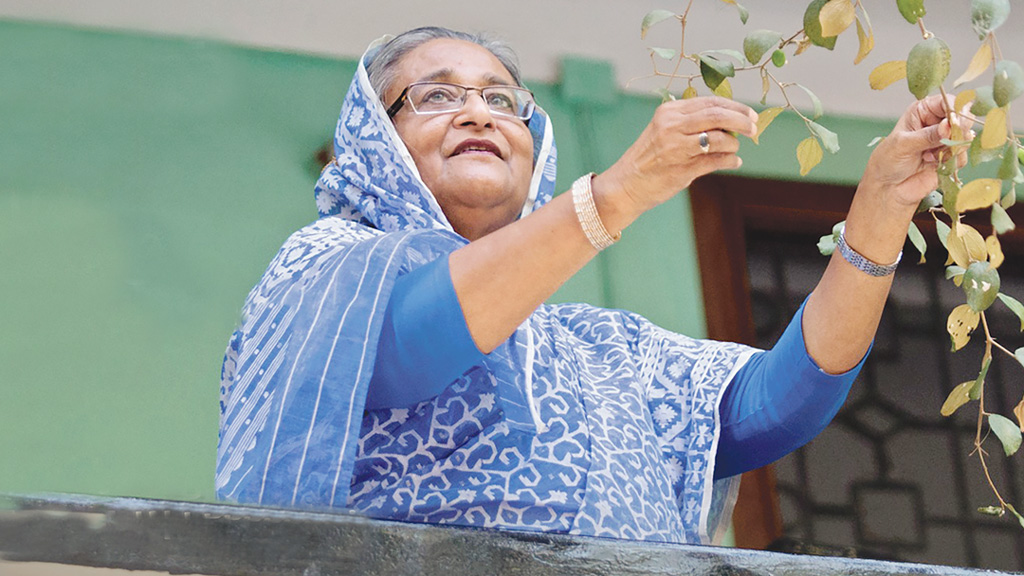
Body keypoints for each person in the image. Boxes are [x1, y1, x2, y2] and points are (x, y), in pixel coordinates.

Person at [216, 27, 965, 544]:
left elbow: (779, 404)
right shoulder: (328, 269)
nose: (478, 110)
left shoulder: (599, 347)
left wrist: (879, 213)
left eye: (502, 100)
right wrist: (617, 194)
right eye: (436, 96)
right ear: (374, 139)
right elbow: (409, 341)